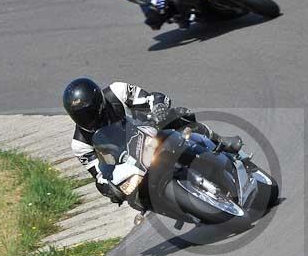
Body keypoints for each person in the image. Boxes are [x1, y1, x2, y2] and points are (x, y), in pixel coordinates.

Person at [62, 77, 242, 203]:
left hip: (152, 131)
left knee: (179, 116)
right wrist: (108, 189)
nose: (88, 118)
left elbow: (151, 98)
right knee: (136, 199)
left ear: (99, 102)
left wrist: (158, 107)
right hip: (130, 165)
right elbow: (99, 174)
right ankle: (179, 205)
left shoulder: (117, 91)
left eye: (89, 112)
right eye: (80, 116)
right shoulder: (79, 144)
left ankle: (219, 141)